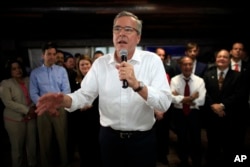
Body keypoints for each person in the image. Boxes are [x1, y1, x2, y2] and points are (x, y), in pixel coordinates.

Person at [34, 11, 172, 167]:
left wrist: (137, 85)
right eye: (117, 29)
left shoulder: (152, 61)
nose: (121, 33)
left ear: (138, 37)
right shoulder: (100, 64)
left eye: (128, 29)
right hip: (110, 139)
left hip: (142, 140)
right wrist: (64, 100)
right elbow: (84, 95)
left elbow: (164, 103)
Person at [29, 41, 71, 167]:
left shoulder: (62, 71)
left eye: (54, 54)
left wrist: (56, 106)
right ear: (43, 55)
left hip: (60, 109)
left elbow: (66, 90)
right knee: (44, 141)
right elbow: (33, 93)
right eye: (49, 54)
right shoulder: (35, 73)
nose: (52, 56)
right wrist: (48, 107)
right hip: (43, 110)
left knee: (62, 140)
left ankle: (64, 163)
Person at [203, 49, 242, 167]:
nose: (222, 58)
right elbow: (204, 92)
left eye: (225, 57)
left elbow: (239, 94)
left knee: (229, 147)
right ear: (216, 59)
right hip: (212, 117)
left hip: (230, 117)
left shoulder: (237, 75)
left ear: (229, 60)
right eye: (219, 56)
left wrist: (222, 105)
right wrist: (213, 106)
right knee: (212, 147)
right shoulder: (207, 74)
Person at [170, 56, 206, 167]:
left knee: (196, 139)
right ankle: (183, 161)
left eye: (190, 64)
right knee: (181, 139)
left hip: (194, 114)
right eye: (185, 64)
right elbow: (172, 99)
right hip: (179, 113)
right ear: (180, 66)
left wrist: (180, 98)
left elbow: (201, 101)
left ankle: (197, 161)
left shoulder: (200, 81)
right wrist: (191, 98)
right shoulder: (174, 80)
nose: (188, 66)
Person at [1, 59, 37, 167]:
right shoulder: (5, 83)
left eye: (19, 68)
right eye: (14, 69)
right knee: (17, 149)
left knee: (32, 147)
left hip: (31, 118)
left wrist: (33, 109)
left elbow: (35, 95)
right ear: (10, 71)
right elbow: (8, 102)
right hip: (14, 120)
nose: (18, 70)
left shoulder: (28, 80)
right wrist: (27, 110)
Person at [70, 55, 101, 167]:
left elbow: (100, 96)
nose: (85, 66)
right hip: (80, 117)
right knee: (83, 143)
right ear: (78, 67)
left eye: (87, 64)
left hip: (95, 116)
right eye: (82, 64)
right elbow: (73, 97)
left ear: (91, 65)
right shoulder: (74, 80)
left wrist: (90, 104)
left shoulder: (98, 79)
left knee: (96, 142)